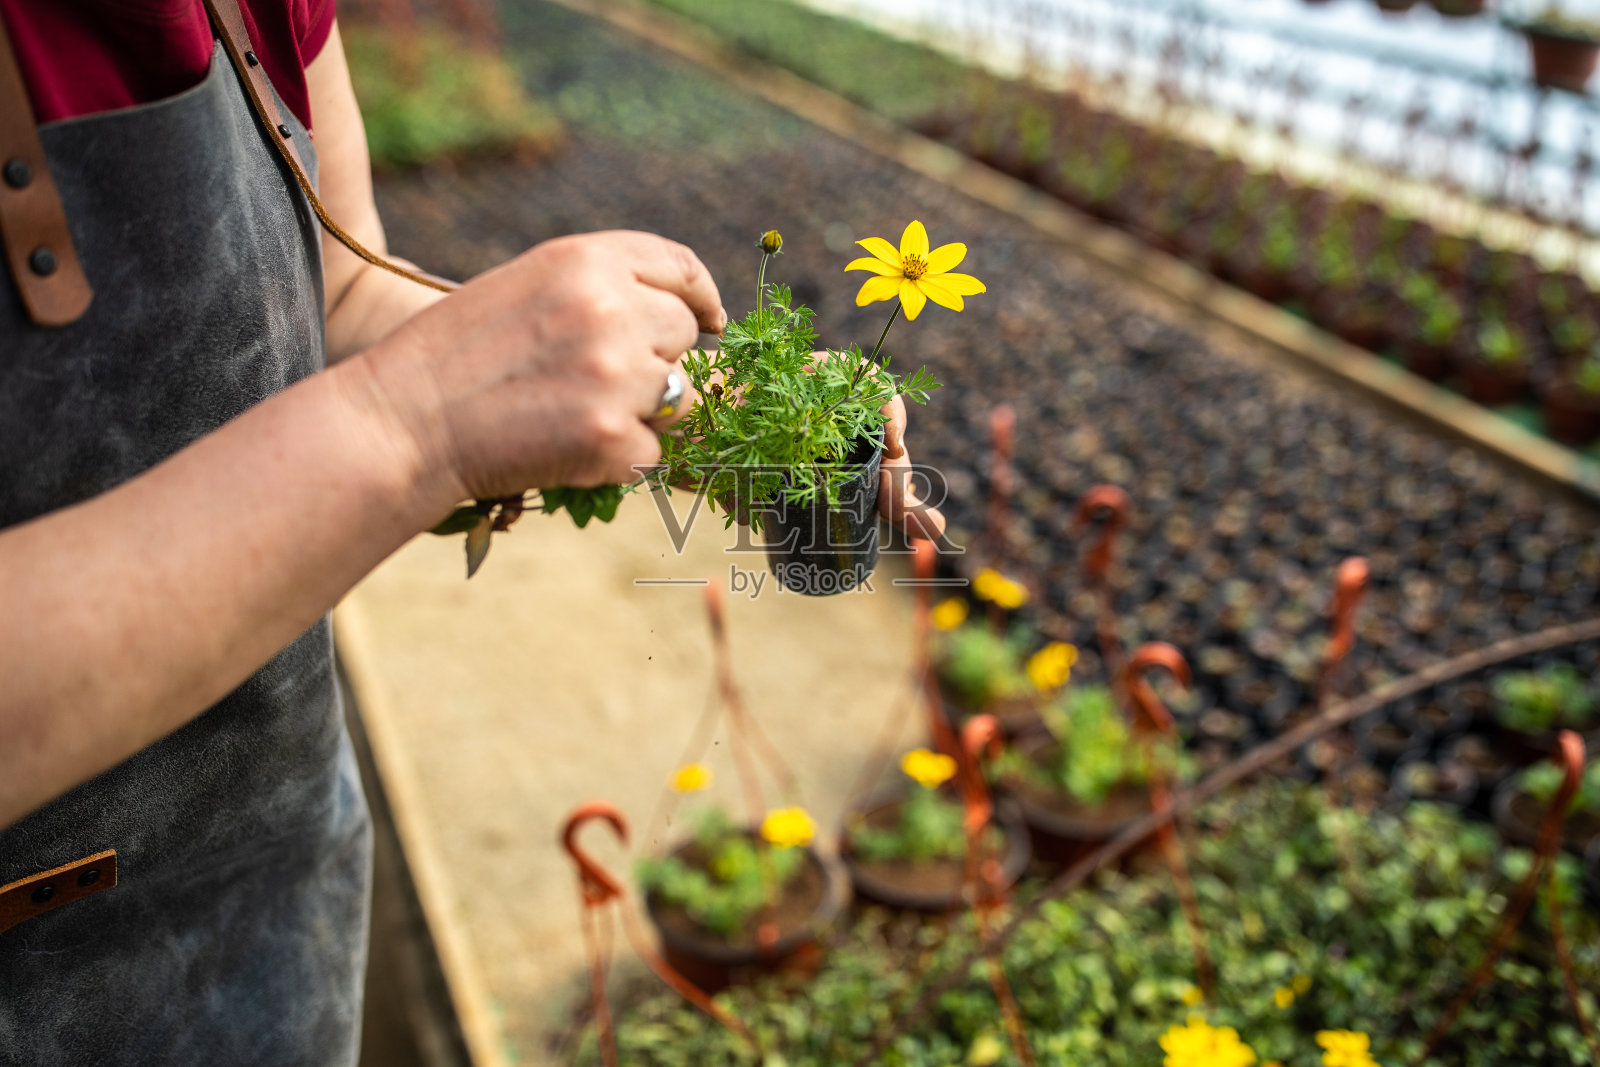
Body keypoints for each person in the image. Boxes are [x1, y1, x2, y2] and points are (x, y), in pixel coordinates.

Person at [0, 1, 944, 1063]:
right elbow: (399, 394)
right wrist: (418, 418)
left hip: (272, 860)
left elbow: (343, 292)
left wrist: (723, 409)